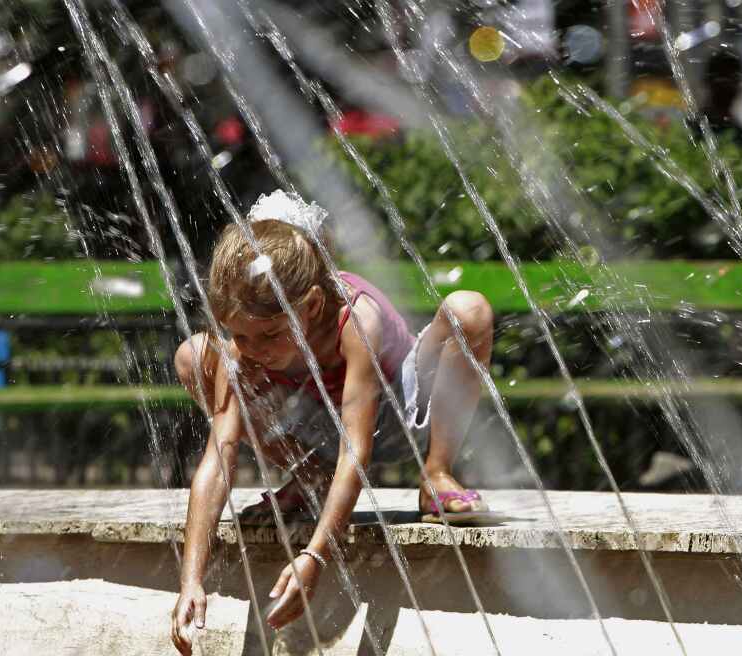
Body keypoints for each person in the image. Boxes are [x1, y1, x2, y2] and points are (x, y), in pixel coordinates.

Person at [168, 190, 497, 653]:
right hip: (315, 426)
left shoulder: (353, 319)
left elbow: (356, 450)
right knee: (194, 355)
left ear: (313, 306)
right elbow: (217, 457)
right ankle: (307, 478)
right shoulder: (241, 348)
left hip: (398, 416)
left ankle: (437, 473)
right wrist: (191, 581)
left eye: (271, 334)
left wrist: (314, 555)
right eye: (240, 334)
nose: (255, 348)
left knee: (470, 311)